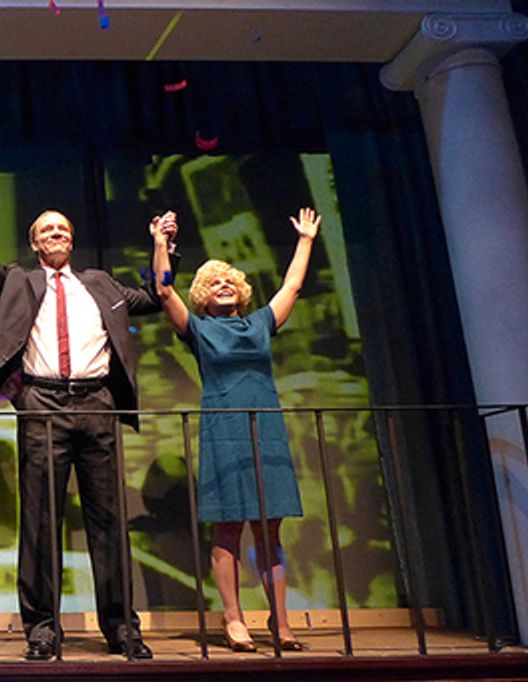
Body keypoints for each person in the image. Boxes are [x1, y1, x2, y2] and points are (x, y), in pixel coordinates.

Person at [0, 157, 177, 661]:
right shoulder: (17, 282)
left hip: (96, 403)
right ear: (34, 243)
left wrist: (161, 244)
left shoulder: (100, 284)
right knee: (40, 522)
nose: (55, 234)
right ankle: (43, 629)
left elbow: (158, 295)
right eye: (46, 229)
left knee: (109, 520)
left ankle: (121, 628)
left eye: (62, 229)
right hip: (43, 403)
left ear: (70, 241)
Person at [150, 207, 321, 653]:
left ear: (241, 292)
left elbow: (293, 286)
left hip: (266, 429)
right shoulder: (200, 330)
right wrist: (160, 244)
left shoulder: (260, 324)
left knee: (270, 531)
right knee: (228, 530)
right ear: (204, 296)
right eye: (215, 283)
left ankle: (281, 624)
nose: (224, 285)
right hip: (223, 429)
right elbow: (164, 290)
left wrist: (304, 240)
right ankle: (233, 619)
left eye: (230, 281)